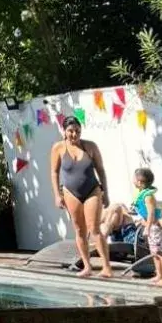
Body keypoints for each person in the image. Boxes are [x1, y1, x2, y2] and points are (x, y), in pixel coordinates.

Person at [49, 116, 114, 279]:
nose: (74, 134)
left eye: (77, 131)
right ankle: (87, 266)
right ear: (64, 131)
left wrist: (105, 192)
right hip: (71, 192)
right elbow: (54, 172)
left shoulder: (90, 146)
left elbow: (101, 170)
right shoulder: (58, 148)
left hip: (92, 190)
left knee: (95, 229)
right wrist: (57, 194)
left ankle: (106, 267)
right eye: (70, 131)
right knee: (79, 230)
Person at [132, 168, 162, 286]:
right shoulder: (142, 194)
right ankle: (159, 275)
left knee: (160, 252)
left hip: (155, 227)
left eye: (134, 178)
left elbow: (151, 213)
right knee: (154, 252)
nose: (133, 180)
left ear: (139, 182)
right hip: (151, 226)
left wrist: (147, 227)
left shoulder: (148, 197)